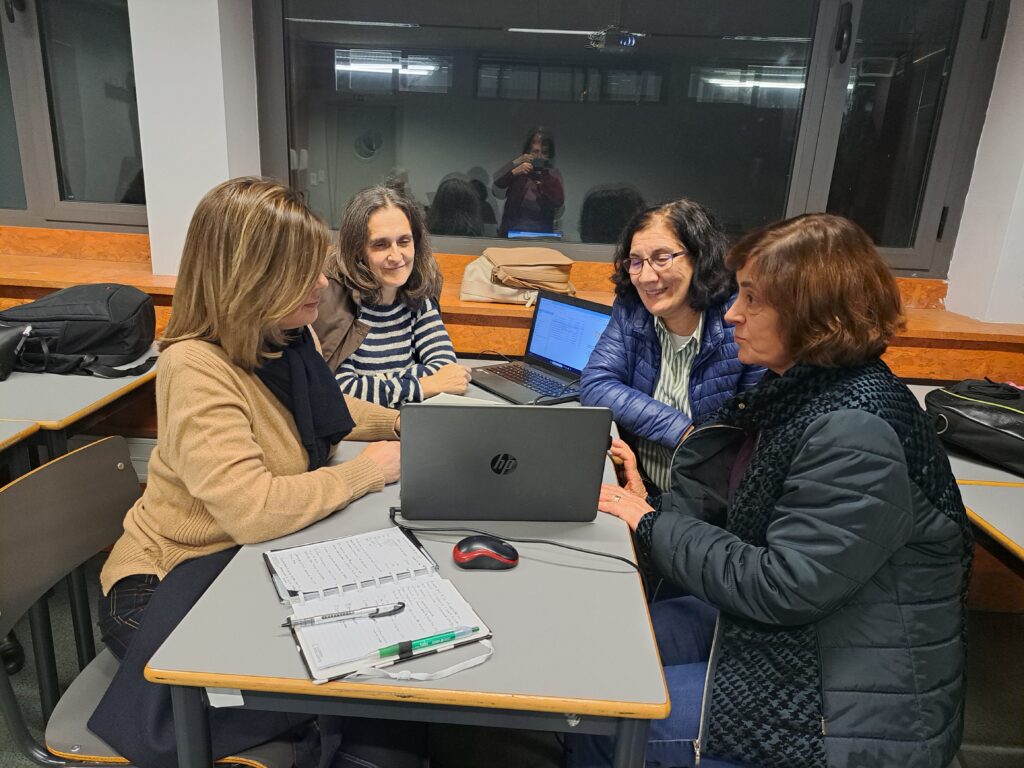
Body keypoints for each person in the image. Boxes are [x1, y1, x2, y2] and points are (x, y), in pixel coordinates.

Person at [572, 214, 971, 768]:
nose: (731, 313)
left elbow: (782, 587)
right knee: (606, 645)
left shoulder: (855, 428)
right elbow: (745, 519)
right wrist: (652, 506)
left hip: (850, 695)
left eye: (752, 299)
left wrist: (649, 522)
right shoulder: (803, 390)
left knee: (603, 719)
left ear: (813, 314)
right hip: (801, 630)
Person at [88, 177, 423, 767]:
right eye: (305, 271)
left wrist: (402, 425)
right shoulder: (195, 367)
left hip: (247, 561)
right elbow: (254, 509)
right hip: (170, 579)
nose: (323, 283)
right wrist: (365, 474)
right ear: (254, 278)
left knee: (364, 655)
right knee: (329, 680)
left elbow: (326, 412)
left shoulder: (285, 336)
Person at [579, 199, 763, 493]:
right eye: (635, 261)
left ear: (700, 257)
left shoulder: (739, 323)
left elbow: (752, 440)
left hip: (709, 500)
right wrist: (682, 431)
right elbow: (596, 384)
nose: (646, 277)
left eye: (662, 258)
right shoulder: (631, 306)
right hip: (640, 482)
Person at [314, 185, 471, 407]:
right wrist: (423, 385)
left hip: (408, 418)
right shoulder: (336, 302)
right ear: (358, 250)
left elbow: (446, 368)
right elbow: (343, 389)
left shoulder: (418, 293)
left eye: (404, 241)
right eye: (381, 244)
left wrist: (379, 384)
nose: (396, 256)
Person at [492, 126, 565, 237]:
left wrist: (544, 181)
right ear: (527, 152)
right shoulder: (520, 171)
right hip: (511, 233)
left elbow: (558, 203)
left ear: (549, 155)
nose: (539, 156)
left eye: (544, 152)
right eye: (535, 151)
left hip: (541, 235)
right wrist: (515, 167)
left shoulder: (553, 175)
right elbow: (497, 188)